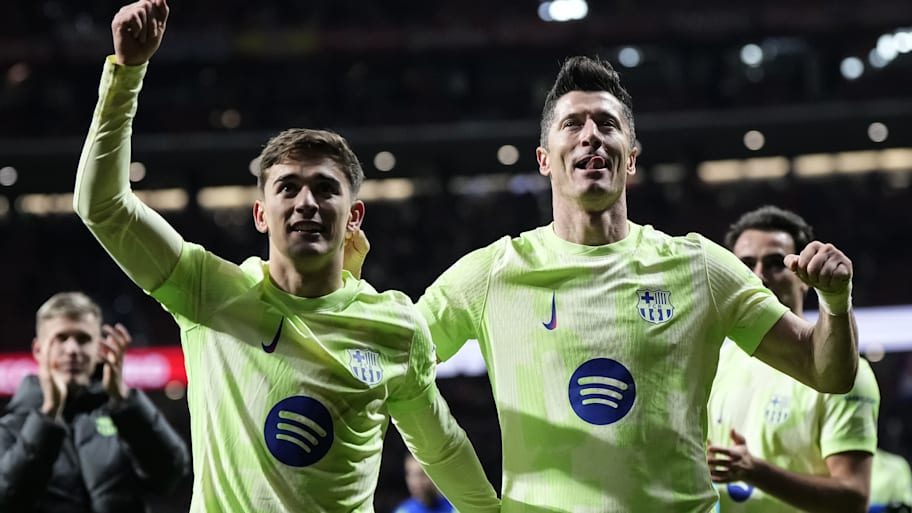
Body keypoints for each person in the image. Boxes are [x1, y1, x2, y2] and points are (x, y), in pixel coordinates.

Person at [73, 1, 499, 512]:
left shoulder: (396, 327)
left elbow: (441, 447)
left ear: (354, 216)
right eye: (288, 187)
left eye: (325, 188)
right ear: (260, 214)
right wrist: (126, 74)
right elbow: (103, 207)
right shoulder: (209, 292)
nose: (306, 203)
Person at [412, 56, 860, 512]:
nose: (591, 135)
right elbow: (397, 367)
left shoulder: (700, 266)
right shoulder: (493, 273)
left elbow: (826, 370)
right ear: (544, 160)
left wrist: (834, 301)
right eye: (572, 124)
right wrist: (473, 498)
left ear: (630, 159)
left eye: (607, 124)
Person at [706, 206, 880, 513]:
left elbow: (853, 499)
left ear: (804, 278)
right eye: (746, 264)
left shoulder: (845, 373)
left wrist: (756, 472)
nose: (758, 275)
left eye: (775, 263)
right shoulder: (718, 361)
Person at [0, 291, 190, 513]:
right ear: (38, 350)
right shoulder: (10, 429)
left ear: (99, 348)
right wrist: (48, 416)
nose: (72, 349)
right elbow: (7, 500)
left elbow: (171, 474)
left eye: (83, 339)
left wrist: (124, 400)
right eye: (61, 338)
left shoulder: (123, 416)